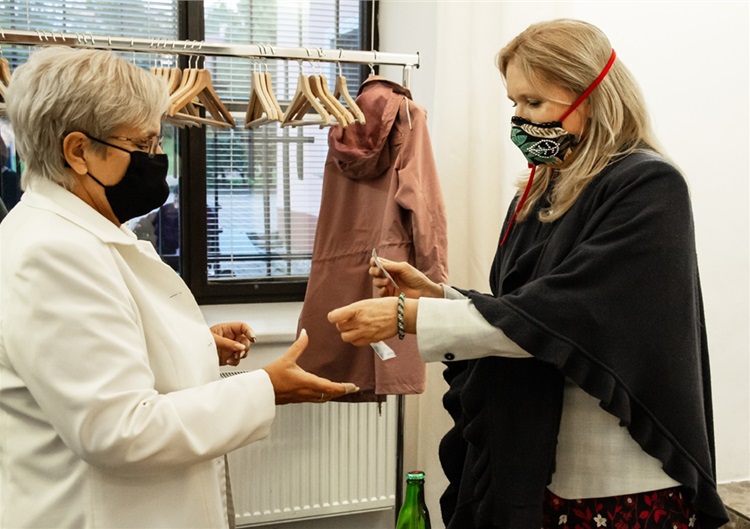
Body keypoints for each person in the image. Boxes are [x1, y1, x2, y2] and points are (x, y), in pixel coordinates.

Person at [328, 19, 729, 529]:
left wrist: (412, 316)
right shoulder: (540, 191)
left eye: (534, 102)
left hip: (616, 478)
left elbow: (572, 315)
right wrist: (438, 296)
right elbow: (526, 308)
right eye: (514, 102)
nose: (518, 117)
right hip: (544, 465)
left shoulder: (650, 187)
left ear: (592, 97)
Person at [0, 46, 358, 529]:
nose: (158, 159)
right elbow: (118, 430)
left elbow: (98, 356)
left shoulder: (81, 229)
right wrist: (266, 389)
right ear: (78, 151)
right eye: (143, 144)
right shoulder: (52, 252)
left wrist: (193, 345)